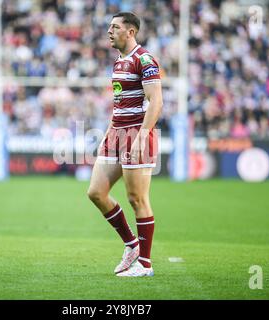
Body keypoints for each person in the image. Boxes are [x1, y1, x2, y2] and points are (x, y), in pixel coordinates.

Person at [87, 12, 163, 277]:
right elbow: (119, 105)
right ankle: (131, 245)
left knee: (137, 199)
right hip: (116, 134)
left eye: (115, 27)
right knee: (96, 192)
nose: (109, 31)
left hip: (136, 134)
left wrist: (142, 136)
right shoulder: (119, 62)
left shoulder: (144, 59)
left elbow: (156, 101)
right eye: (109, 26)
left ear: (130, 32)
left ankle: (145, 264)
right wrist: (107, 135)